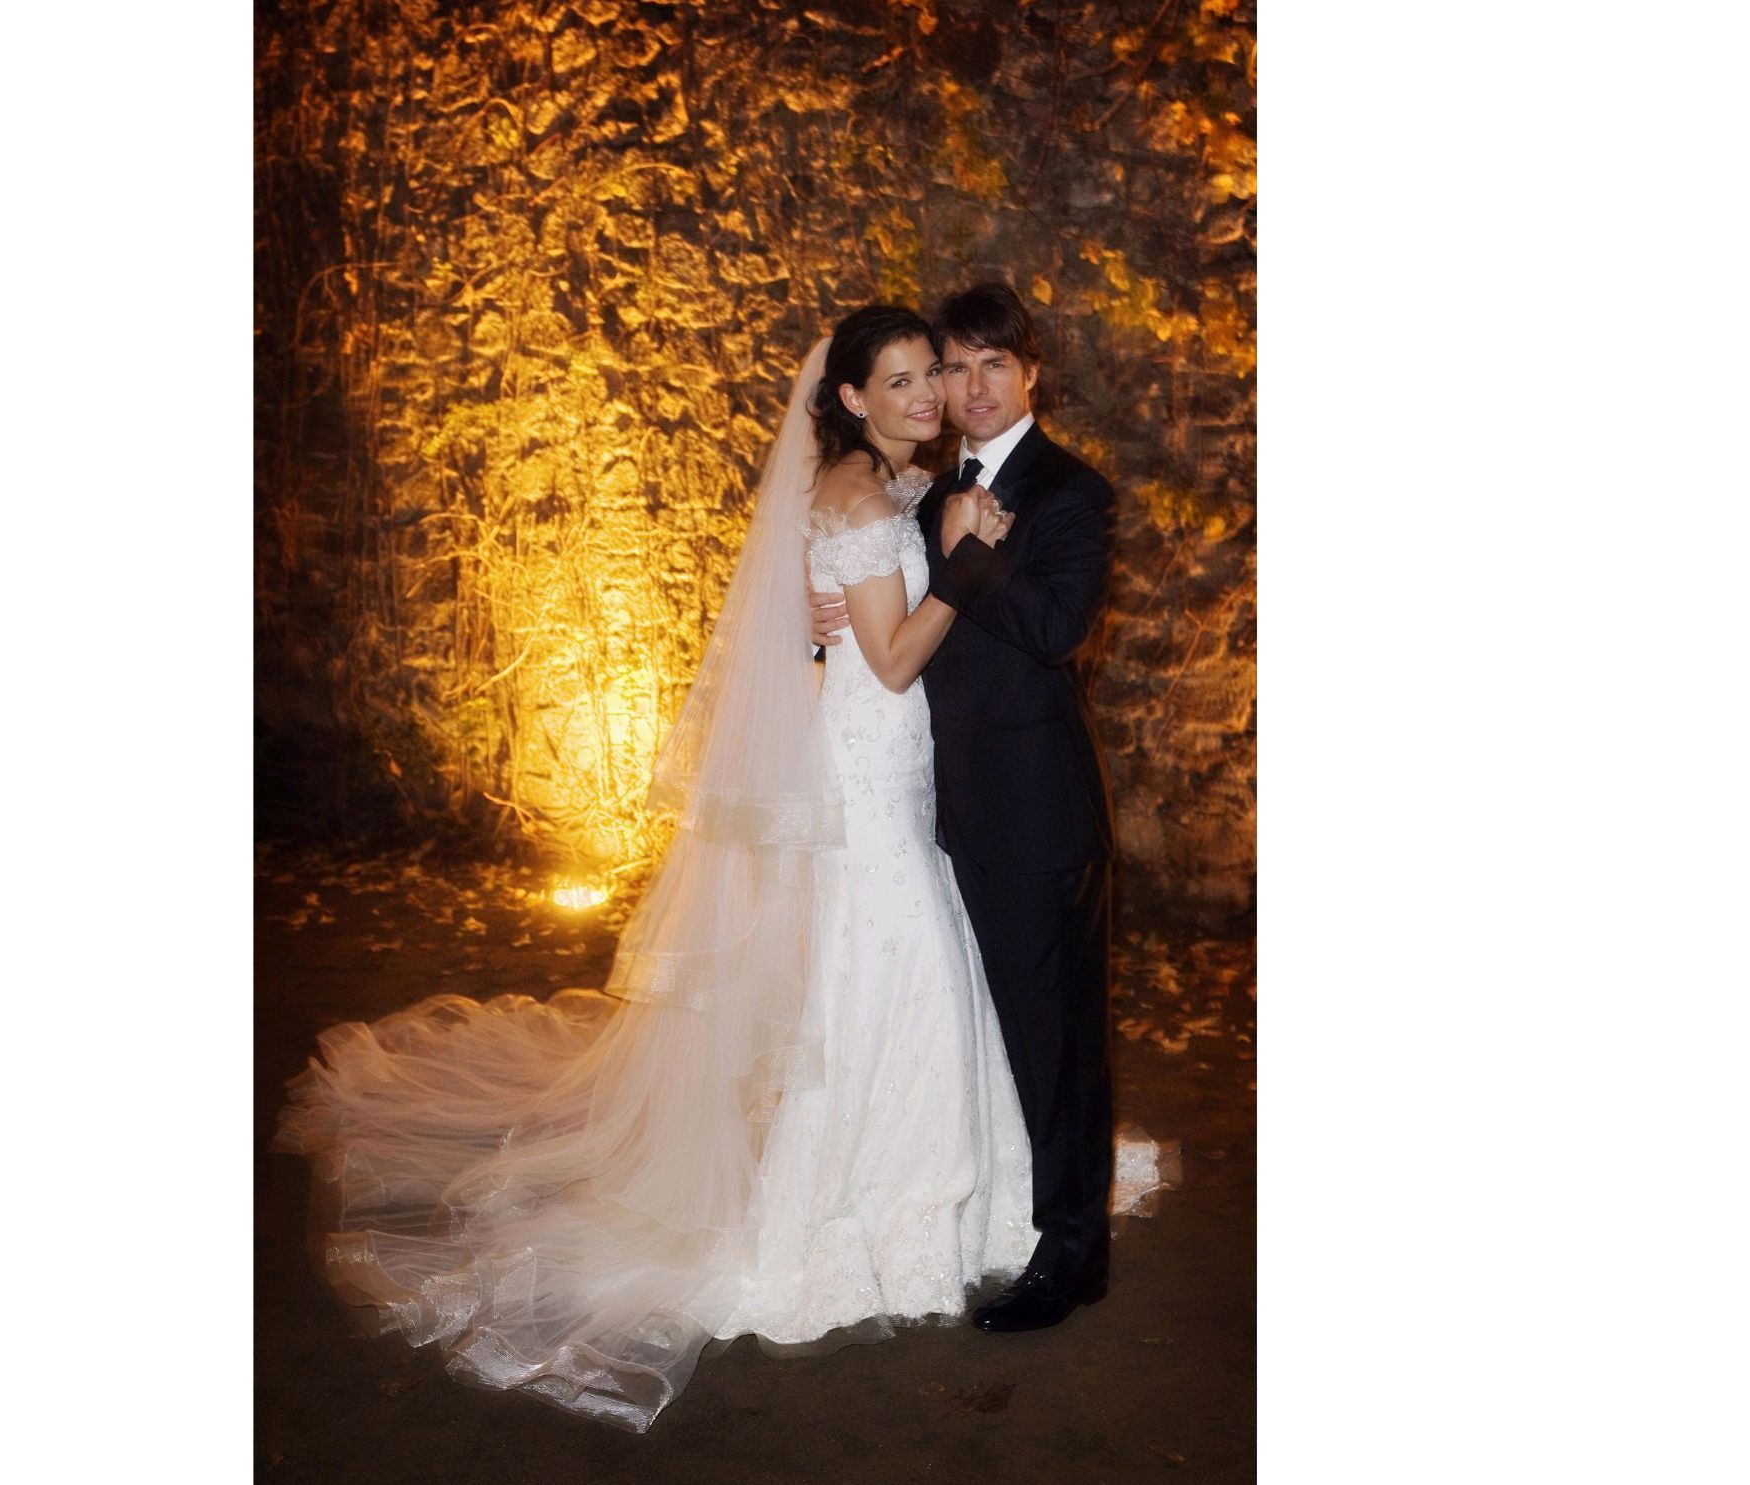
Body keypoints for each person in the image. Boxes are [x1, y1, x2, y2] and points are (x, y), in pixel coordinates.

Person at [276, 308, 1160, 1434]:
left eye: (956, 370)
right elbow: (887, 649)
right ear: (850, 398)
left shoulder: (1006, 490)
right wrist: (919, 579)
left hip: (965, 787)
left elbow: (1018, 622)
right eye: (921, 374)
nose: (943, 391)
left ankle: (1016, 1218)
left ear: (1027, 371)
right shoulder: (879, 492)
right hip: (889, 767)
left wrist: (880, 593)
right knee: (904, 977)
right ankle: (877, 1205)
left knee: (957, 993)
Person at [810, 283, 1123, 1333]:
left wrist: (965, 555)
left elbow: (1054, 628)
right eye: (954, 366)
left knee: (1057, 1042)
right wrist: (829, 615)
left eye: (994, 364)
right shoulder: (928, 481)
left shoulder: (1070, 492)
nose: (968, 386)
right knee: (981, 1027)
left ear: (1029, 373)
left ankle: (1072, 1256)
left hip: (1034, 816)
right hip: (938, 805)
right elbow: (874, 601)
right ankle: (998, 1204)